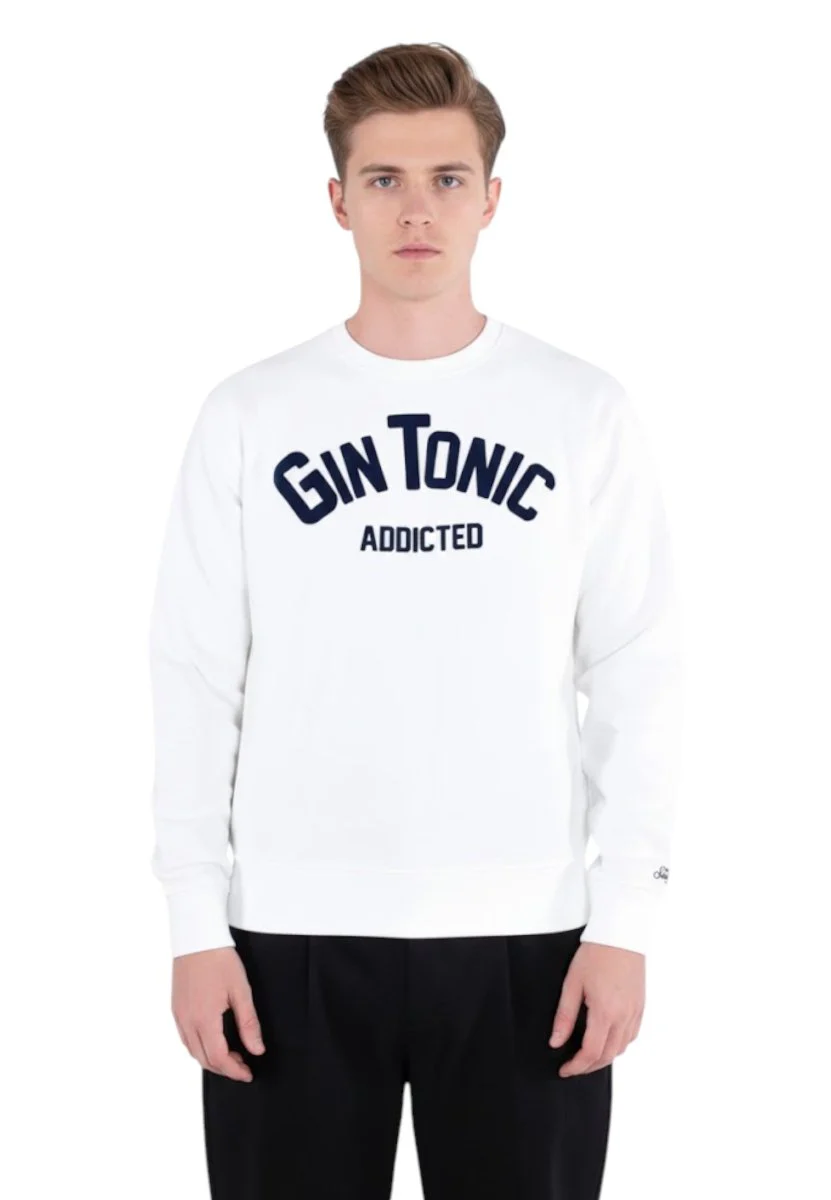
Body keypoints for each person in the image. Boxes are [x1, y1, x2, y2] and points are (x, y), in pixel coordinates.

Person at [147, 40, 684, 1200]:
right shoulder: (250, 414)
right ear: (337, 200)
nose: (417, 210)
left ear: (492, 199)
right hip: (286, 934)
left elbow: (639, 667)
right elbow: (193, 674)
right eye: (383, 178)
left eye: (448, 178)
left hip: (531, 936)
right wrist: (195, 921)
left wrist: (627, 918)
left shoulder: (581, 409)